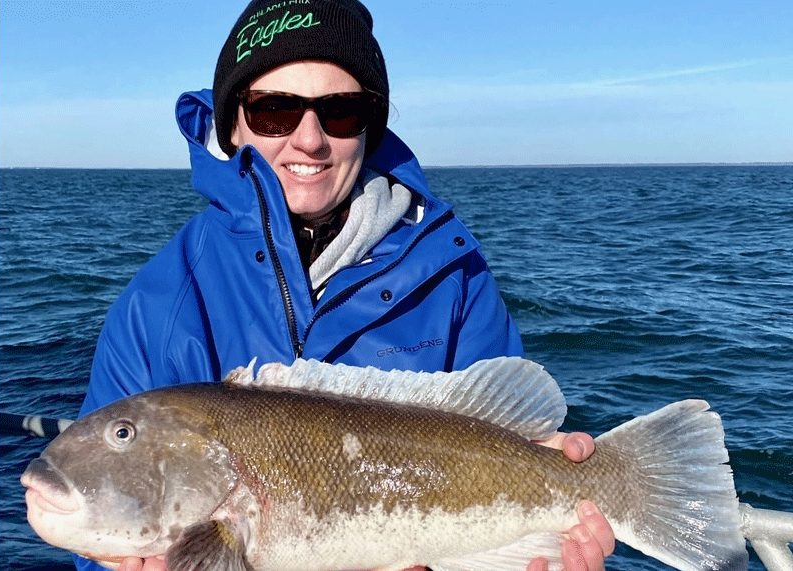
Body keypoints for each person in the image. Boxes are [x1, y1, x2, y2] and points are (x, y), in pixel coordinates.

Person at [74, 1, 615, 570]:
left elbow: (515, 422)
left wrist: (555, 511)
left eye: (340, 112)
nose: (309, 140)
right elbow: (100, 525)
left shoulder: (455, 277)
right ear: (233, 123)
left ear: (369, 127)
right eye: (274, 110)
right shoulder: (153, 306)